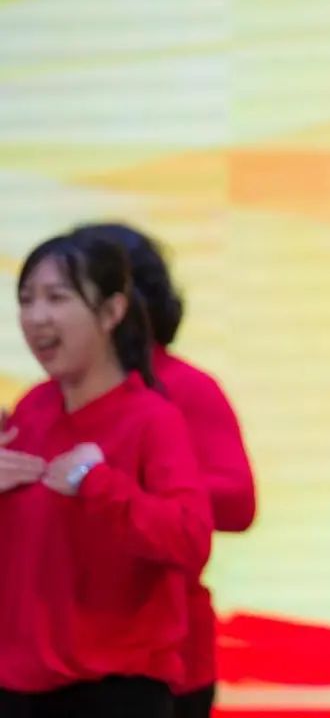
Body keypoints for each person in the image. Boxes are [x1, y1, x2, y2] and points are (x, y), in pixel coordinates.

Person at [0, 229, 211, 717]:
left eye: (57, 297)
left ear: (112, 311)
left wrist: (99, 484)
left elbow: (190, 539)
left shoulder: (152, 419)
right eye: (26, 300)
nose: (37, 317)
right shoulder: (30, 411)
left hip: (115, 690)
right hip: (18, 686)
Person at [98, 222, 257, 717]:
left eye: (65, 295)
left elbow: (237, 502)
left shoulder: (183, 387)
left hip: (166, 656)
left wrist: (120, 486)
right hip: (61, 653)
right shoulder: (48, 401)